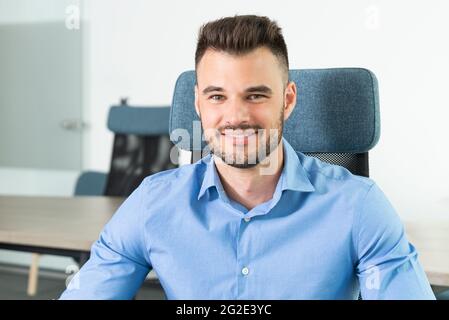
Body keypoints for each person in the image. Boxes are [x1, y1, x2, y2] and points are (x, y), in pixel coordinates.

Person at [60, 15, 435, 299]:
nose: (236, 116)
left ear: (287, 100)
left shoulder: (358, 206)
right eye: (217, 96)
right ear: (198, 104)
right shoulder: (152, 204)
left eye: (255, 95)